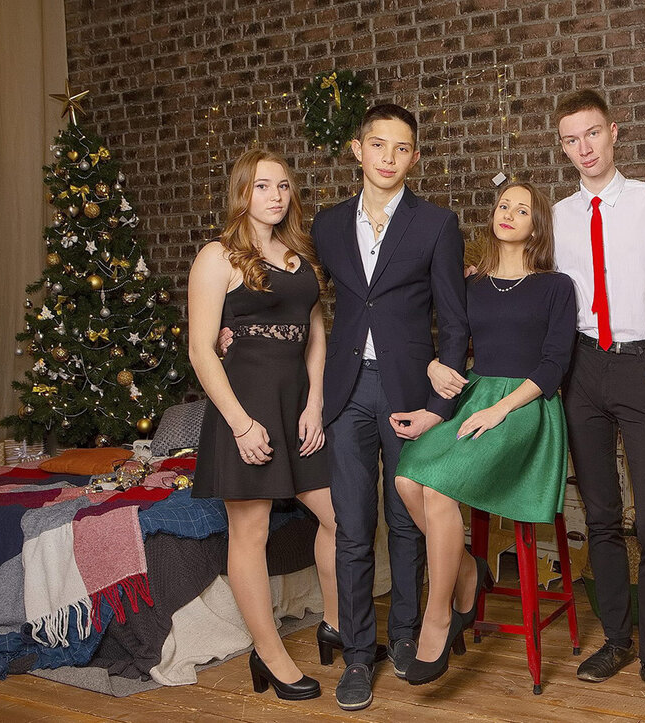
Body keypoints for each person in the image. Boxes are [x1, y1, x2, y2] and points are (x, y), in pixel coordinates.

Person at [310, 104, 468, 711]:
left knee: (405, 523)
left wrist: (438, 406)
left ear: (414, 158)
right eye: (378, 145)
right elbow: (296, 294)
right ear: (358, 149)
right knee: (352, 529)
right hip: (346, 392)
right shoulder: (327, 225)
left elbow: (453, 323)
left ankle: (404, 635)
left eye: (402, 148)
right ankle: (357, 656)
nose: (388, 158)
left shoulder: (436, 224)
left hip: (409, 394)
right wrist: (234, 330)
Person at [551, 89, 645, 708]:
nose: (584, 148)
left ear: (614, 132)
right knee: (601, 517)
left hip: (644, 364)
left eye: (592, 133)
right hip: (582, 367)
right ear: (564, 147)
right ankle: (616, 639)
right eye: (571, 140)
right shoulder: (558, 215)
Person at [394, 181, 576, 685]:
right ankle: (470, 572)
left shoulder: (556, 286)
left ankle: (438, 617)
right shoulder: (471, 284)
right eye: (503, 205)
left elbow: (554, 365)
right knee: (407, 479)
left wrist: (500, 410)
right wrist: (433, 366)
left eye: (522, 210)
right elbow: (450, 341)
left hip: (527, 407)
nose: (509, 214)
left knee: (437, 487)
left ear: (537, 226)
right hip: (475, 394)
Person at [189, 149, 332, 701]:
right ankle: (270, 654)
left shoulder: (300, 257)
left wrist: (315, 402)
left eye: (284, 186)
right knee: (249, 533)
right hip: (244, 406)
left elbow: (314, 333)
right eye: (263, 186)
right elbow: (202, 350)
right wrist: (241, 425)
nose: (276, 196)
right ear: (242, 193)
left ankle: (336, 625)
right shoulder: (218, 256)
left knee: (341, 516)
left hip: (296, 405)